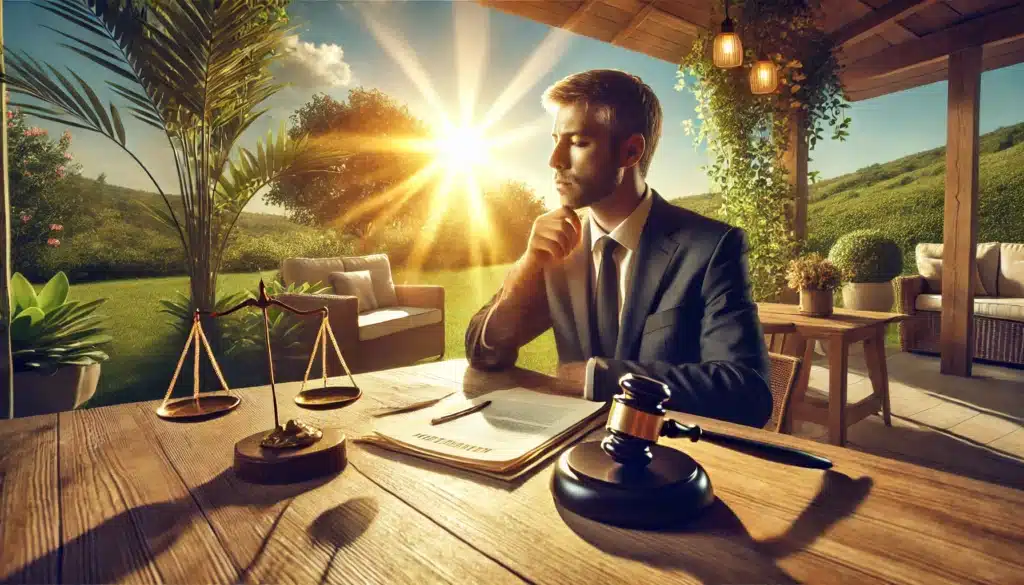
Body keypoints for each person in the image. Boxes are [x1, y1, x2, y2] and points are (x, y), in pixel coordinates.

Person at [464, 69, 771, 428]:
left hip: (670, 463)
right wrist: (528, 265)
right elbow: (483, 352)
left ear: (631, 151)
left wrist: (601, 378)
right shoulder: (558, 248)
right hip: (565, 455)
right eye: (555, 140)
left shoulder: (712, 248)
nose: (555, 160)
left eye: (577, 142)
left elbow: (747, 392)